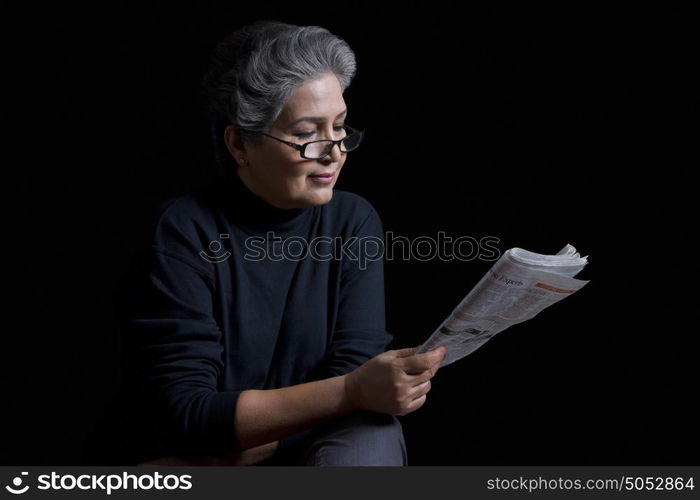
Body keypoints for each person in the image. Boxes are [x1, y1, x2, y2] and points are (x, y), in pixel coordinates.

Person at [118, 20, 446, 467]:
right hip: (193, 459)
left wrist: (268, 440)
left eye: (341, 127)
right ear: (240, 144)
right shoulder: (182, 230)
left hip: (306, 447)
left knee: (369, 436)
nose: (333, 151)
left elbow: (354, 369)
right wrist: (351, 392)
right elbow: (187, 414)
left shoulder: (353, 219)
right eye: (308, 133)